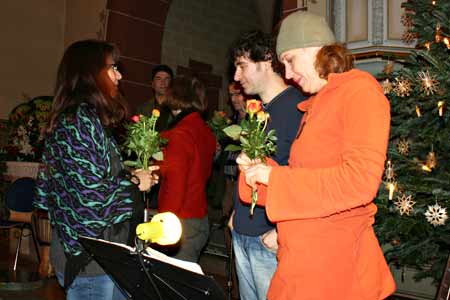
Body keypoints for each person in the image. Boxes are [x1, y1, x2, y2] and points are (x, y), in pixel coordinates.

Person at [237, 12, 396, 300]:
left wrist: (274, 177)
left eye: (289, 59)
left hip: (335, 272)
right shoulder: (316, 105)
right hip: (301, 264)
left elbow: (359, 183)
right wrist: (259, 169)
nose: (286, 74)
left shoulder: (360, 92)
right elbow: (303, 180)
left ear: (315, 48)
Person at [34, 39, 158, 300]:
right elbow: (89, 203)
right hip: (89, 258)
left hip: (100, 253)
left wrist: (130, 177)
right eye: (113, 68)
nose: (119, 75)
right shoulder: (79, 121)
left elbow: (86, 182)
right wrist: (135, 184)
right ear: (91, 74)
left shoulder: (79, 119)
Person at [229, 30, 305, 300]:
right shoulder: (257, 111)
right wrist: (236, 214)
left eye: (242, 66)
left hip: (269, 239)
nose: (237, 77)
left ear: (267, 60)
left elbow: (306, 178)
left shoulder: (298, 109)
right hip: (243, 231)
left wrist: (282, 231)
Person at [157, 76, 216, 262]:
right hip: (199, 216)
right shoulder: (203, 129)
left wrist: (163, 225)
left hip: (181, 222)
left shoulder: (180, 134)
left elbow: (175, 185)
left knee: (171, 287)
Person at [136, 64, 174, 131]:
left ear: (171, 84)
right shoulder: (142, 109)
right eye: (158, 78)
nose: (163, 83)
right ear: (152, 84)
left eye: (167, 79)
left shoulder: (177, 108)